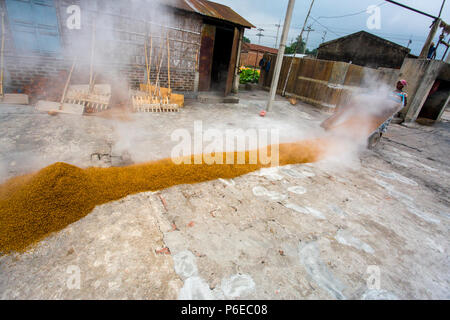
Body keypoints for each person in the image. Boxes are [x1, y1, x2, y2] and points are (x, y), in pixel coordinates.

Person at [368, 80, 408, 148]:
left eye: (400, 84)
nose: (398, 85)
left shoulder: (403, 95)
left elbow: (404, 104)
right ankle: (370, 136)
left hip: (390, 113)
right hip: (383, 110)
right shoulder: (391, 92)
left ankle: (376, 140)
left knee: (383, 126)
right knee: (376, 123)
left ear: (402, 86)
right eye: (398, 83)